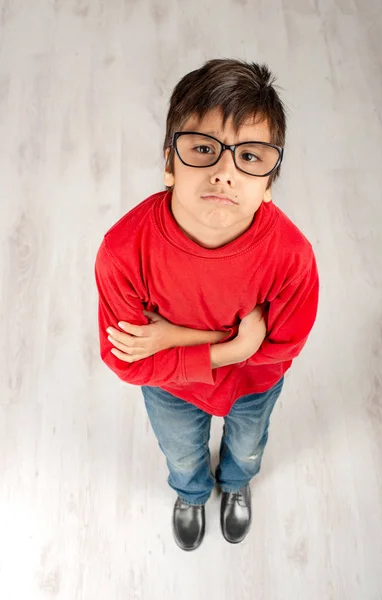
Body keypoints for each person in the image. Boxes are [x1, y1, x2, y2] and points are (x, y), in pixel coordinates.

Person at [94, 58, 319, 551]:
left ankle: (236, 485)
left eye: (250, 158)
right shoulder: (123, 250)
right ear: (170, 161)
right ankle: (192, 492)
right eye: (203, 149)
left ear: (269, 182)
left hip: (252, 385)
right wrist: (228, 348)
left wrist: (172, 336)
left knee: (248, 446)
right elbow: (125, 362)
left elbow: (280, 349)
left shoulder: (291, 256)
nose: (224, 173)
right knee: (180, 450)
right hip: (170, 386)